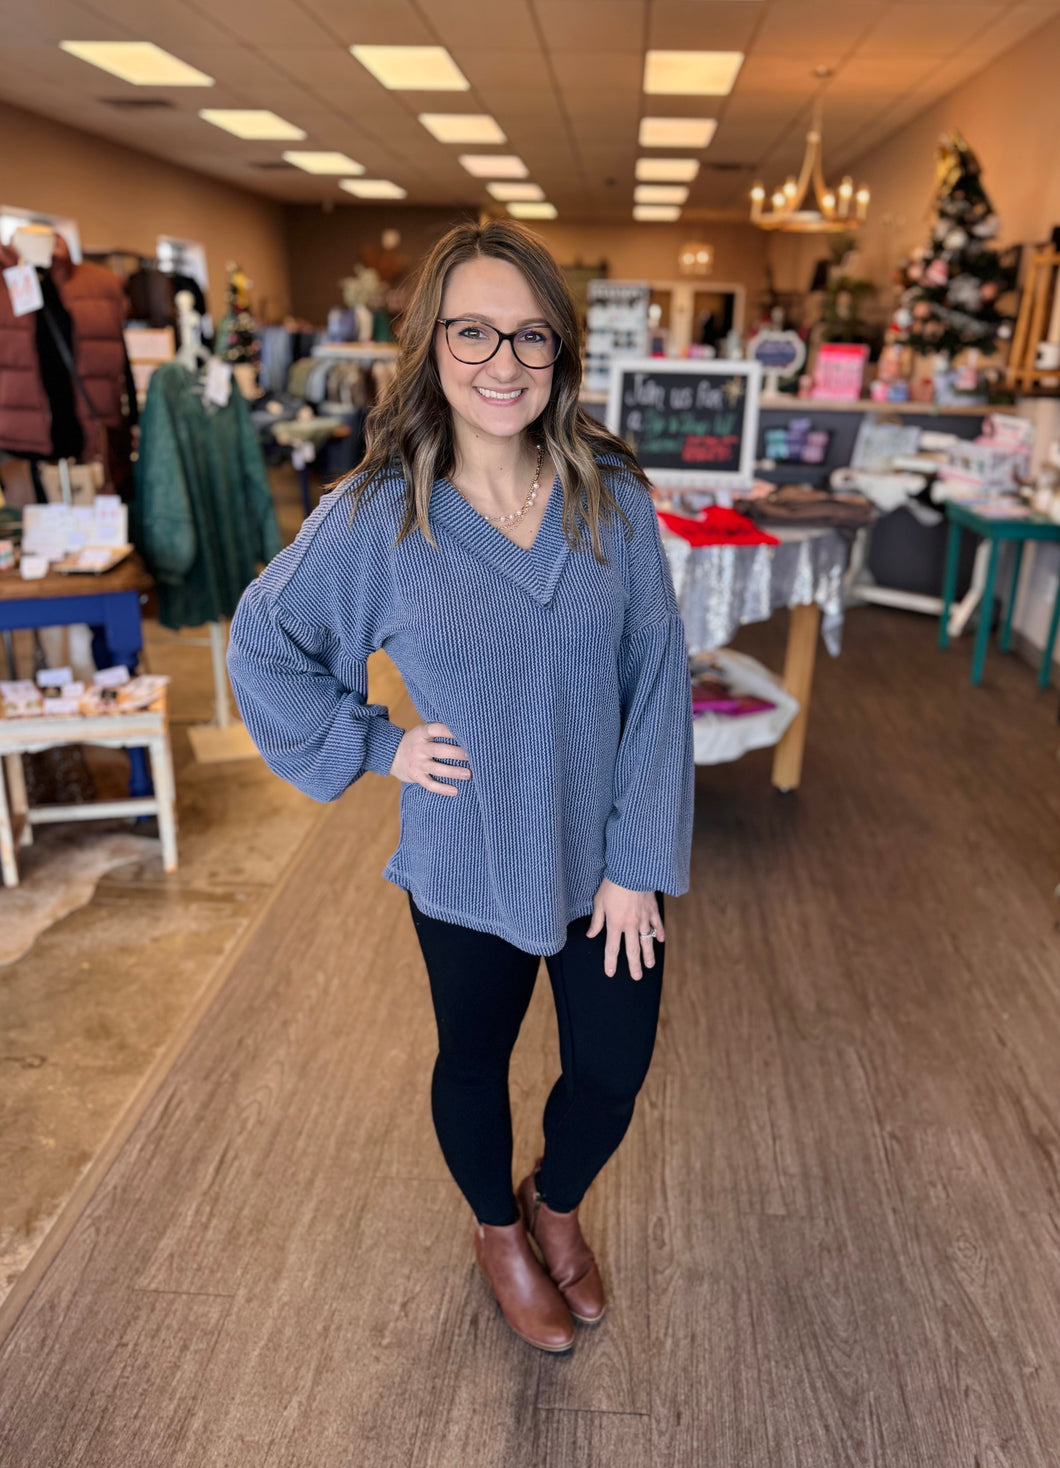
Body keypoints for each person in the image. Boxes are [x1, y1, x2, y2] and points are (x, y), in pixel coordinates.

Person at [227, 220, 695, 1355]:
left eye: (530, 335)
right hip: (467, 844)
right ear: (431, 346)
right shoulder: (379, 516)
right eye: (474, 331)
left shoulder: (611, 498)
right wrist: (380, 746)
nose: (504, 362)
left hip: (602, 855)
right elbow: (263, 641)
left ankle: (555, 1201)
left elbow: (657, 682)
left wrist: (638, 866)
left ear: (560, 352)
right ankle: (497, 1230)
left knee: (613, 1069)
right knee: (472, 1059)